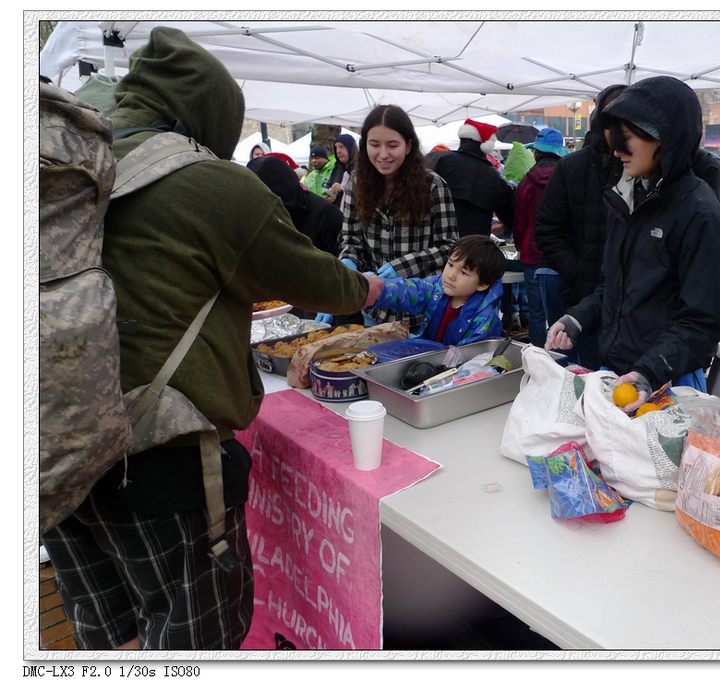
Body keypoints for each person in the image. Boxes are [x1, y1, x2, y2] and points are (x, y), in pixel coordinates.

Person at [39, 27, 382, 651]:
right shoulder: (210, 184)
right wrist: (365, 289)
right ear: (210, 117)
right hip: (161, 454)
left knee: (109, 634)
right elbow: (317, 283)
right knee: (195, 639)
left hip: (53, 440)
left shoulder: (71, 164)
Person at [545, 76, 720, 411]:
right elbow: (613, 286)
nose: (616, 151)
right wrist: (577, 318)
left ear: (664, 139)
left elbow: (701, 323)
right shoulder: (627, 197)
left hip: (665, 384)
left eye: (626, 139)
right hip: (617, 376)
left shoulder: (698, 211)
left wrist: (649, 371)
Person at [330, 104, 459, 330]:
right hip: (376, 307)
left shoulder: (432, 186)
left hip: (423, 310)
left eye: (392, 145)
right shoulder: (357, 183)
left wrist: (402, 267)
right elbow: (351, 238)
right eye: (374, 145)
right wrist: (347, 264)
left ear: (408, 146)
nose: (383, 154)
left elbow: (449, 246)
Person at [533, 83, 626, 369]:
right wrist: (579, 270)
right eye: (614, 124)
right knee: (579, 374)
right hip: (580, 295)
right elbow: (547, 228)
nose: (623, 136)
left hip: (630, 303)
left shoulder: (645, 171)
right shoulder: (572, 167)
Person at [371, 234, 505, 345]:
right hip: (428, 360)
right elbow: (407, 290)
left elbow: (468, 356)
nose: (451, 275)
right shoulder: (437, 288)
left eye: (464, 273)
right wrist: (376, 288)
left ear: (483, 284)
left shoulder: (485, 319)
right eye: (451, 264)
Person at [513, 127, 570, 347]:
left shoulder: (527, 181)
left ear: (537, 152)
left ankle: (537, 357)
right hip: (562, 254)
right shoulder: (568, 177)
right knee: (563, 313)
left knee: (536, 313)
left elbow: (520, 220)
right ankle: (560, 359)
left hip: (532, 254)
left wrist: (519, 245)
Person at [426, 118, 516, 238]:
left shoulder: (437, 159)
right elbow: (509, 213)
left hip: (432, 238)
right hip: (472, 245)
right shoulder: (493, 176)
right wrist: (506, 225)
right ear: (486, 145)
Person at [323, 133, 357, 207]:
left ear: (351, 148)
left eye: (341, 147)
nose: (338, 151)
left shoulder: (360, 168)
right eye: (336, 147)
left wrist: (342, 187)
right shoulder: (337, 167)